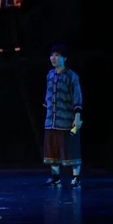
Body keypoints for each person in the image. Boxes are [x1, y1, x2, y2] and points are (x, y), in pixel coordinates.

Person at [42, 44, 83, 188]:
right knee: (52, 149)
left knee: (71, 149)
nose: (53, 58)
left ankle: (76, 177)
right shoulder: (50, 75)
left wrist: (77, 117)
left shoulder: (71, 76)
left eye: (57, 55)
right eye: (52, 55)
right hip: (51, 120)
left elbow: (77, 97)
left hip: (66, 120)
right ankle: (55, 178)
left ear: (64, 58)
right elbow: (48, 95)